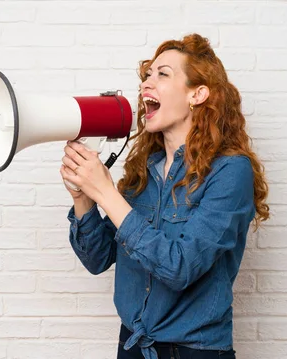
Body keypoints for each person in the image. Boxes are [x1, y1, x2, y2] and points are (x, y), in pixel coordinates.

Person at [60, 33, 270, 359]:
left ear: (197, 94)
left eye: (163, 74)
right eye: (147, 74)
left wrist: (104, 191)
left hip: (193, 352)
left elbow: (179, 267)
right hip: (131, 346)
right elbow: (98, 259)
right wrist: (83, 195)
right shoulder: (145, 170)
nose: (147, 83)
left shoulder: (230, 171)